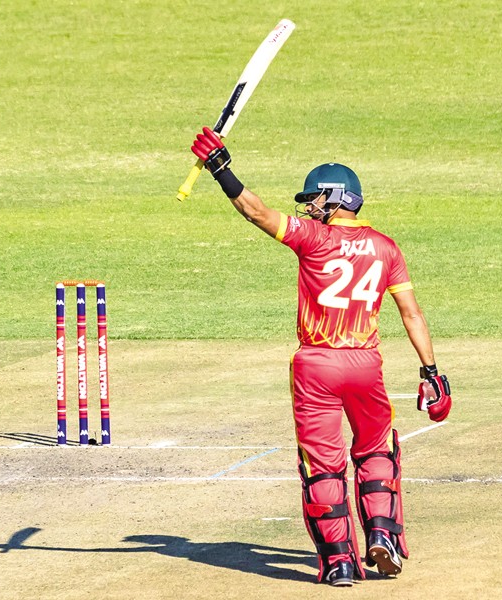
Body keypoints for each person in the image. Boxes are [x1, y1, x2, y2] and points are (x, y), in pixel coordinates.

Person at [190, 128, 453, 587]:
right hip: (365, 365)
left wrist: (220, 169)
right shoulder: (386, 247)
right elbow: (411, 314)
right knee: (377, 451)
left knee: (322, 465)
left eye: (315, 198)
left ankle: (338, 563)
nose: (309, 207)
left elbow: (255, 212)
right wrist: (432, 371)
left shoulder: (311, 237)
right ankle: (382, 535)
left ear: (335, 197)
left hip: (316, 367)